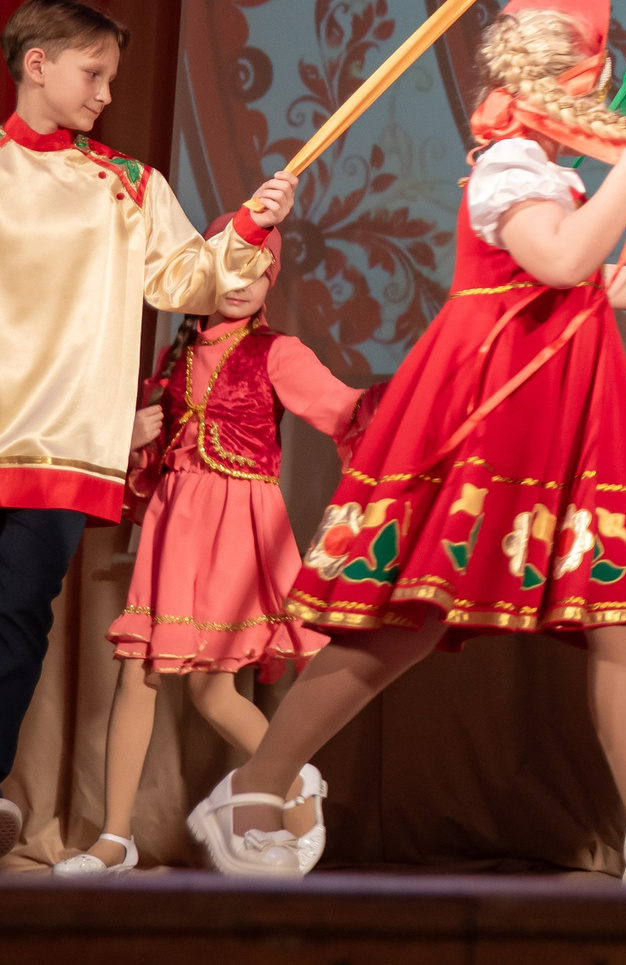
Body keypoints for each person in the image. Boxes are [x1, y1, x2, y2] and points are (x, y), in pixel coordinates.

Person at [187, 0, 626, 885]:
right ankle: (257, 785)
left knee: (618, 605)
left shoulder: (543, 172)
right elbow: (560, 260)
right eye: (599, 72)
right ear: (568, 78)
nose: (608, 93)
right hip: (492, 414)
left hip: (565, 416)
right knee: (407, 615)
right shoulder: (509, 166)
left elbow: (583, 278)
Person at [0, 0, 295, 872]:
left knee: (16, 614)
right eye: (94, 74)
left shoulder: (130, 185)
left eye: (112, 78)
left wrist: (249, 222)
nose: (106, 94)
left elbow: (187, 278)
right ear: (37, 64)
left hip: (70, 442)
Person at [54, 225, 381, 878]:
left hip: (239, 524)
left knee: (211, 689)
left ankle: (295, 783)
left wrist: (416, 401)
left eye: (258, 270)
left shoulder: (277, 351)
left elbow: (345, 409)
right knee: (142, 671)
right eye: (230, 266)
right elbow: (146, 459)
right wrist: (130, 436)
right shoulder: (173, 357)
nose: (242, 282)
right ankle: (115, 838)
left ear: (271, 284)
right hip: (175, 523)